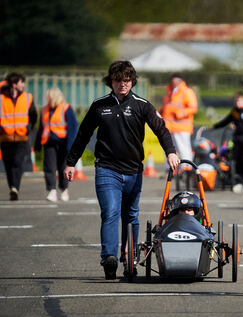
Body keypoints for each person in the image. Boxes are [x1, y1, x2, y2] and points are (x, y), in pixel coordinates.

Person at [63, 61, 179, 280]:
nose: (122, 84)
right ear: (111, 82)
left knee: (131, 215)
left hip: (134, 170)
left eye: (126, 80)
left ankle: (130, 255)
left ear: (132, 81)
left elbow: (161, 129)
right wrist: (70, 162)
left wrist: (170, 152)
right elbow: (83, 134)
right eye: (118, 80)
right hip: (107, 169)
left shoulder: (142, 105)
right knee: (110, 212)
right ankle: (109, 258)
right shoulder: (99, 105)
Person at [34, 88, 78, 202]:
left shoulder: (66, 108)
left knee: (63, 167)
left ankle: (64, 190)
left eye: (48, 97)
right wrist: (37, 143)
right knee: (49, 167)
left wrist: (70, 145)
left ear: (54, 97)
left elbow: (73, 128)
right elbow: (41, 128)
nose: (46, 99)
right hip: (49, 142)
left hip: (63, 143)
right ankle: (52, 190)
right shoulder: (44, 110)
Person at [0, 72, 38, 201]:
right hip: (5, 136)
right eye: (21, 82)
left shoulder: (27, 97)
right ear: (14, 84)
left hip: (22, 137)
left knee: (17, 162)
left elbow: (33, 115)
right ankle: (12, 187)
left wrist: (29, 128)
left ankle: (15, 187)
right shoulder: (1, 98)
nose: (24, 85)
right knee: (9, 164)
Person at [212, 92, 243, 193]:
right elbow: (226, 121)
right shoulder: (234, 112)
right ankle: (239, 181)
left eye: (239, 101)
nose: (238, 103)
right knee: (236, 161)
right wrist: (214, 127)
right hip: (237, 140)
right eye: (236, 101)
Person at [159, 73, 197, 169]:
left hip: (181, 127)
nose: (173, 83)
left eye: (175, 81)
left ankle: (187, 168)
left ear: (180, 81)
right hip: (169, 127)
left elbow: (193, 108)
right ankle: (170, 169)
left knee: (184, 149)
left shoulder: (187, 92)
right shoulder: (170, 92)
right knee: (169, 149)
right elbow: (166, 108)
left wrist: (180, 114)